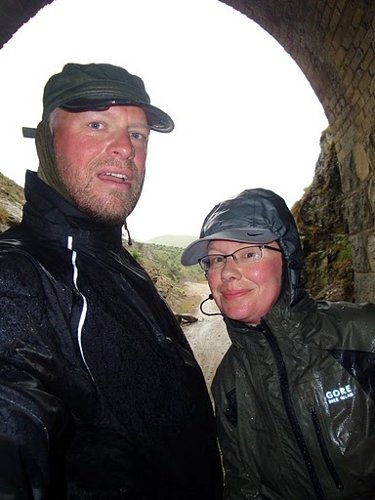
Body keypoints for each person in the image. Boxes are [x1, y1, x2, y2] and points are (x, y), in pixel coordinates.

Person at [0, 62, 223, 499]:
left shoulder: (114, 259)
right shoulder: (17, 277)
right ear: (46, 139)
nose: (124, 147)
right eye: (97, 123)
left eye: (138, 134)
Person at [181, 187, 375, 500]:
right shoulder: (228, 383)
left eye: (248, 254)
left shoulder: (364, 337)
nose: (227, 272)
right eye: (215, 260)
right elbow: (243, 487)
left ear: (288, 259)